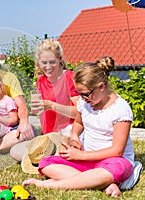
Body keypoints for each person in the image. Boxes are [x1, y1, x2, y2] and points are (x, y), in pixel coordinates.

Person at [22, 56, 141, 197]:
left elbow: (117, 151)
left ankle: (51, 184)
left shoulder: (120, 109)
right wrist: (74, 137)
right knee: (45, 163)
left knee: (115, 169)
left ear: (101, 87)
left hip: (113, 161)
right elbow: (78, 123)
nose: (82, 99)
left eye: (85, 94)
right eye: (79, 94)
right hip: (88, 161)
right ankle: (102, 183)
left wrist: (81, 155)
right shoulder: (84, 103)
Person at [10, 38, 79, 162]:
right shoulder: (41, 81)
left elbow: (80, 112)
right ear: (38, 63)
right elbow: (42, 112)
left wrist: (52, 106)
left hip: (69, 132)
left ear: (59, 59)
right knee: (15, 151)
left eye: (52, 62)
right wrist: (36, 109)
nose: (48, 67)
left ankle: (50, 159)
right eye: (44, 63)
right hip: (49, 135)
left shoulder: (69, 77)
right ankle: (51, 159)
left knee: (60, 147)